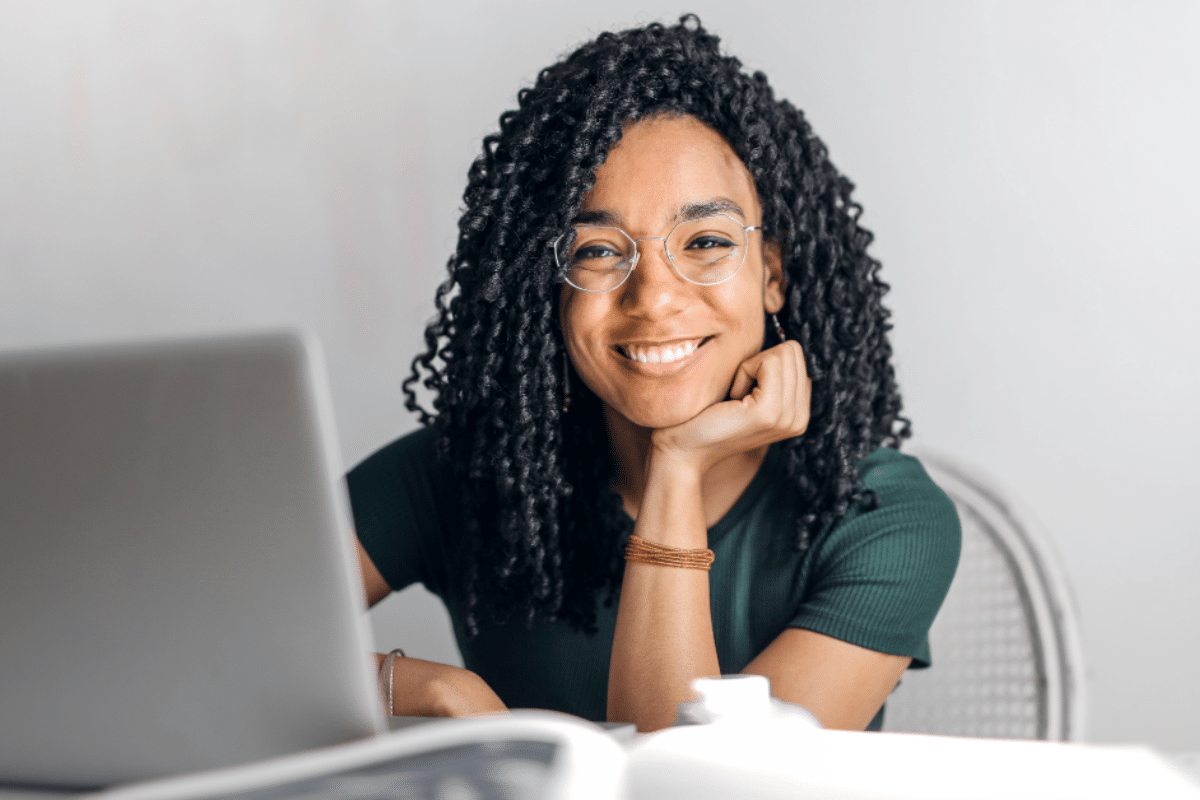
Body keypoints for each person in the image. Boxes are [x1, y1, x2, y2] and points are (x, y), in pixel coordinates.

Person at [348, 15, 960, 733]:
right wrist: (433, 690)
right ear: (547, 286)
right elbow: (201, 637)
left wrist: (678, 465)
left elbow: (693, 785)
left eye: (705, 241)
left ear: (773, 274)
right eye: (599, 251)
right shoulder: (467, 471)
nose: (655, 297)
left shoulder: (879, 516)